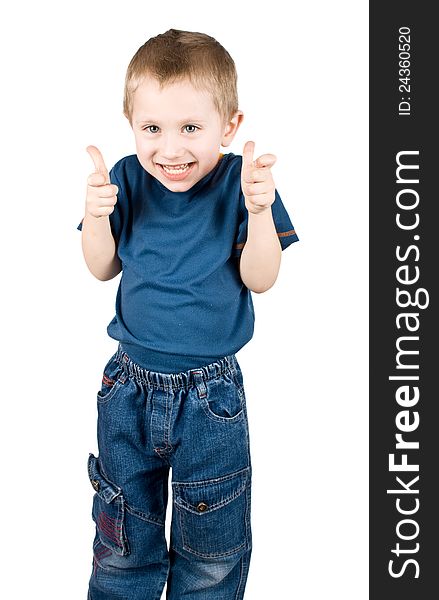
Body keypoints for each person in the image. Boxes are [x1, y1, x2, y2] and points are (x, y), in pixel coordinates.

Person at [78, 28, 299, 600]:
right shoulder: (127, 178)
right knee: (125, 536)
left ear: (229, 126)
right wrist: (97, 217)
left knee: (211, 552)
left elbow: (261, 279)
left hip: (211, 397)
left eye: (190, 128)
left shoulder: (241, 187)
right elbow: (102, 268)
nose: (169, 149)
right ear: (131, 124)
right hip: (127, 386)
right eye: (152, 128)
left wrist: (260, 212)